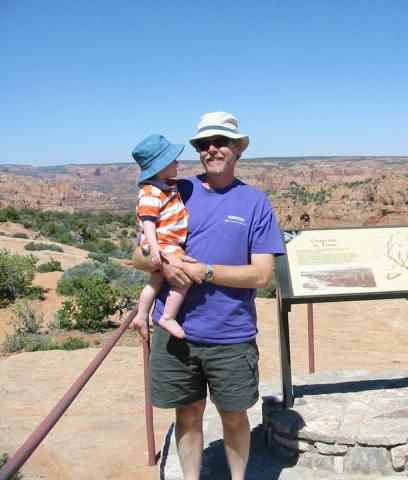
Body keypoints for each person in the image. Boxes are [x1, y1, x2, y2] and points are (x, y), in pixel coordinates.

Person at [132, 112, 284, 480]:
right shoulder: (175, 190)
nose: (211, 149)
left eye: (220, 142)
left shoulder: (255, 202)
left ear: (238, 149)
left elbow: (262, 275)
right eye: (203, 143)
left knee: (233, 416)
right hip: (176, 333)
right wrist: (166, 263)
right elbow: (138, 255)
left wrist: (206, 271)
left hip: (230, 335)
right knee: (187, 413)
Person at [131, 134, 190, 339]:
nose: (177, 163)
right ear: (161, 166)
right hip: (164, 244)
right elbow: (148, 221)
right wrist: (154, 247)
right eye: (172, 160)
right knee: (185, 278)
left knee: (155, 280)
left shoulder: (166, 187)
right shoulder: (151, 192)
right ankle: (168, 317)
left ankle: (141, 315)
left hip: (165, 243)